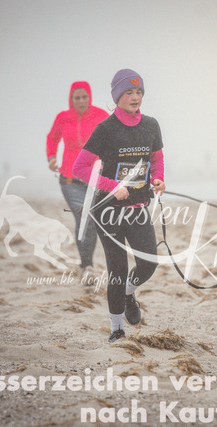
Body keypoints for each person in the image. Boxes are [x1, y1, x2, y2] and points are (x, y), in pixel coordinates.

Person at [72, 69, 166, 343]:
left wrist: (158, 178)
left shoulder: (151, 126)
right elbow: (80, 167)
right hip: (108, 211)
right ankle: (117, 329)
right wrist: (112, 186)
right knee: (117, 270)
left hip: (138, 209)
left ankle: (128, 293)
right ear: (117, 96)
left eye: (139, 92)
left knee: (149, 263)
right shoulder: (106, 129)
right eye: (129, 93)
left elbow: (156, 159)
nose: (135, 97)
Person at [46, 81, 109, 281]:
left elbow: (114, 139)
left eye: (84, 97)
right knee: (84, 216)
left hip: (95, 179)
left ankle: (85, 265)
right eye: (77, 98)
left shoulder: (101, 116)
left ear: (89, 97)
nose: (81, 101)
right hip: (70, 179)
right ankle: (88, 266)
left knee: (91, 222)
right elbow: (52, 138)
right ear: (71, 99)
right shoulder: (63, 118)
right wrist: (51, 157)